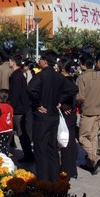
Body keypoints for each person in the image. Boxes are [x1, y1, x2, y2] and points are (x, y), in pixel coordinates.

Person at [27, 50, 79, 182]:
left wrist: (38, 104)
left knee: (40, 149)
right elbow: (73, 89)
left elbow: (30, 89)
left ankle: (43, 179)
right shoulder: (58, 76)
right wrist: (60, 101)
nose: (39, 61)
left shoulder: (41, 76)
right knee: (52, 148)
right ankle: (54, 177)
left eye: (40, 59)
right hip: (54, 117)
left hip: (42, 117)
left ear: (44, 61)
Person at [76, 56, 100, 175]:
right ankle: (91, 164)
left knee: (82, 137)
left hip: (88, 111)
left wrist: (77, 103)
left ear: (82, 65)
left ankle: (95, 158)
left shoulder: (82, 78)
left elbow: (80, 97)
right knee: (93, 137)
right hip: (99, 111)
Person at [56, 59, 80, 179]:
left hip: (66, 114)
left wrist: (62, 104)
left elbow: (70, 93)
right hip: (71, 113)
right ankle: (72, 170)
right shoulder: (72, 79)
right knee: (70, 141)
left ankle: (67, 169)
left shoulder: (63, 80)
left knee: (65, 141)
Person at [8, 55, 34, 163]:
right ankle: (28, 154)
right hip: (20, 108)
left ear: (13, 62)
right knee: (20, 132)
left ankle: (29, 155)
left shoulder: (17, 76)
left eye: (10, 60)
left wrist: (10, 108)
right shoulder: (19, 75)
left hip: (19, 109)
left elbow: (15, 95)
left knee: (21, 133)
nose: (9, 62)